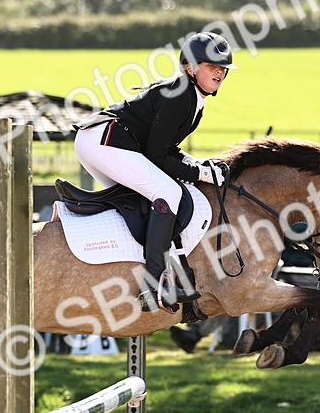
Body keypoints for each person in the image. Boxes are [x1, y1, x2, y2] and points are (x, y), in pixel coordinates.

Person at [73, 31, 236, 312]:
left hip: (105, 142)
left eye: (223, 68)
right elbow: (157, 155)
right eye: (212, 66)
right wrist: (199, 175)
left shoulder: (193, 99)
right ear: (190, 67)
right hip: (105, 141)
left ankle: (147, 271)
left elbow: (166, 149)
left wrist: (198, 165)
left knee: (154, 198)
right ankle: (153, 285)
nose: (220, 73)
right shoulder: (182, 95)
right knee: (168, 192)